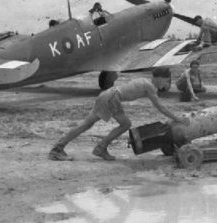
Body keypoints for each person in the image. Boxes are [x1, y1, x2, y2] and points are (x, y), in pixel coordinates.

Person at [48, 69, 188, 161]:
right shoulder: (149, 87)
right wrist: (177, 118)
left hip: (107, 94)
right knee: (126, 124)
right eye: (167, 81)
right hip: (112, 97)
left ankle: (58, 148)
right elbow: (161, 108)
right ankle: (100, 148)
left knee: (86, 125)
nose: (166, 84)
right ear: (160, 78)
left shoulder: (145, 82)